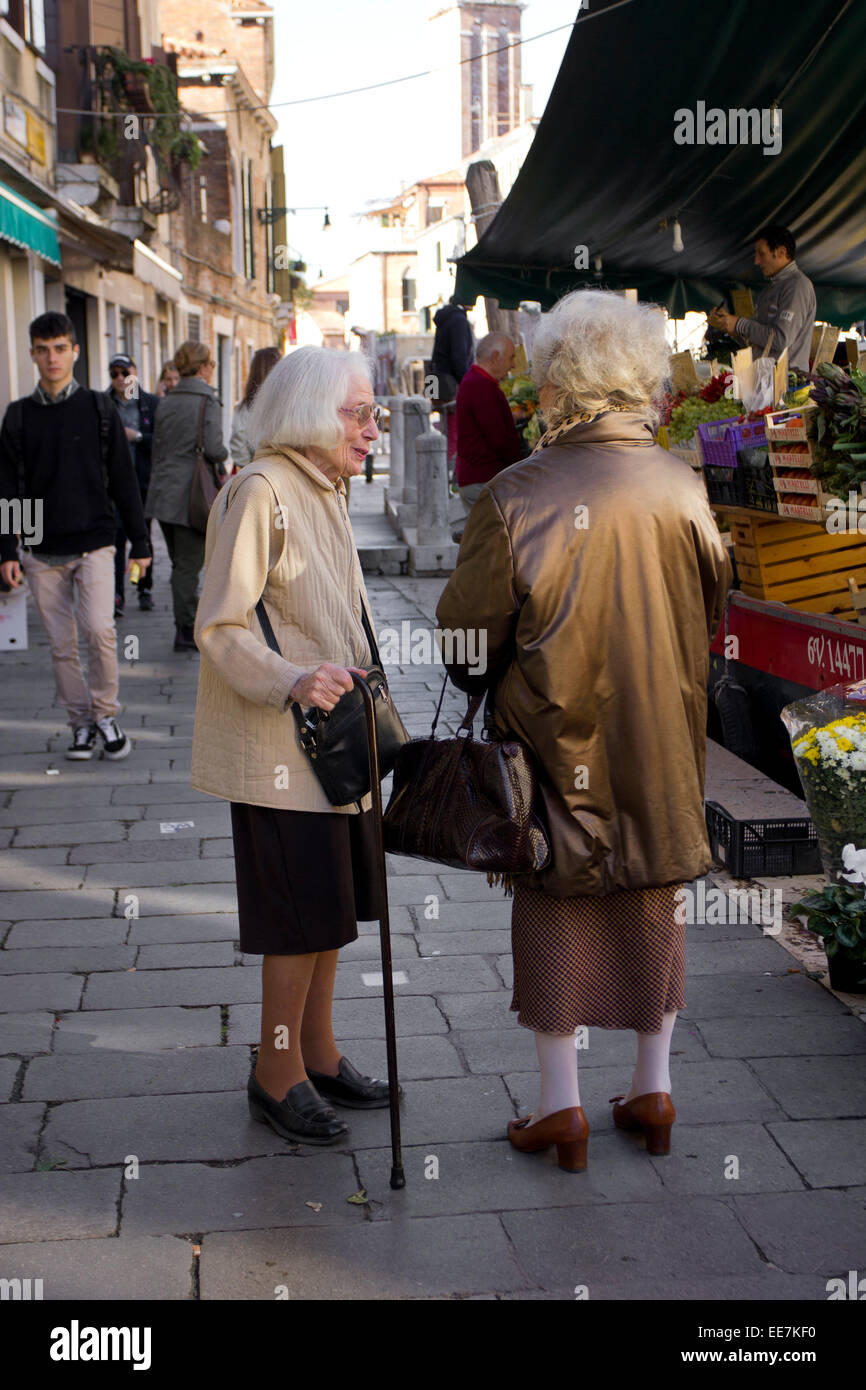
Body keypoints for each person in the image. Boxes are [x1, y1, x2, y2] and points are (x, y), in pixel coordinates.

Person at [436, 289, 731, 1173]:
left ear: (556, 381)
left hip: (550, 743)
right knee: (650, 897)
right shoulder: (682, 485)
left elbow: (460, 641)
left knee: (555, 904)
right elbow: (712, 607)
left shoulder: (516, 495)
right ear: (639, 378)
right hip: (661, 738)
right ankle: (654, 1088)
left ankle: (560, 1108)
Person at [190, 345, 392, 1146]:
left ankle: (317, 1051)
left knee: (332, 909)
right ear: (311, 412)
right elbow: (220, 625)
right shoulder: (263, 492)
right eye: (359, 412)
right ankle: (276, 1072)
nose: (373, 427)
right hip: (282, 750)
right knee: (298, 916)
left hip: (333, 748)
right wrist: (294, 679)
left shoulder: (323, 488)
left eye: (372, 412)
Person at [0, 311, 151, 760]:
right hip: (42, 552)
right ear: (32, 354)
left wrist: (141, 545)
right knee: (62, 647)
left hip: (96, 542)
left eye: (60, 349)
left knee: (101, 631)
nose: (52, 358)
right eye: (43, 350)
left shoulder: (97, 408)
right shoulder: (19, 415)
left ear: (75, 352)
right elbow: (11, 485)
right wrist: (10, 547)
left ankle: (106, 714)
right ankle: (80, 724)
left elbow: (123, 479)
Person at [146, 341, 228, 652]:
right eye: (212, 364)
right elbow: (214, 449)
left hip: (163, 493)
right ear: (205, 366)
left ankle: (186, 624)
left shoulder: (165, 402)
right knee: (187, 566)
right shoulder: (208, 402)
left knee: (181, 561)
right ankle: (186, 629)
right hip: (192, 495)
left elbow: (158, 447)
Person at [708, 225, 816, 372]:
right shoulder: (770, 288)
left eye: (761, 254)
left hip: (787, 385)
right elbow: (759, 341)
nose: (756, 261)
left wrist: (739, 324)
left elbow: (780, 340)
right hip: (764, 381)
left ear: (781, 252)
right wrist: (733, 328)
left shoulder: (797, 285)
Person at [107, 354, 157, 615]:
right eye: (114, 373)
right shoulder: (103, 404)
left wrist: (136, 436)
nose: (119, 379)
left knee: (142, 536)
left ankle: (142, 586)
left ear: (135, 373)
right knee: (114, 539)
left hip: (141, 481)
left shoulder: (149, 404)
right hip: (111, 487)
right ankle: (116, 593)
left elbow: (159, 441)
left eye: (124, 372)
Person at [454, 332, 524, 512]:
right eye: (510, 358)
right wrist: (523, 465)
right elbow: (499, 439)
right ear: (495, 357)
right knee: (491, 539)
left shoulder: (476, 382)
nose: (513, 365)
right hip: (484, 480)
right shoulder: (481, 387)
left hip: (480, 479)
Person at [229, 346, 281, 472]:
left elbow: (238, 442)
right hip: (282, 473)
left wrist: (250, 468)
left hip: (256, 472)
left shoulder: (245, 408)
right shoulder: (286, 405)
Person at [430, 296, 475, 402]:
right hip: (452, 383)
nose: (475, 302)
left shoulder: (446, 317)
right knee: (455, 416)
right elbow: (459, 356)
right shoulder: (458, 320)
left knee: (444, 415)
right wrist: (468, 383)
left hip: (438, 380)